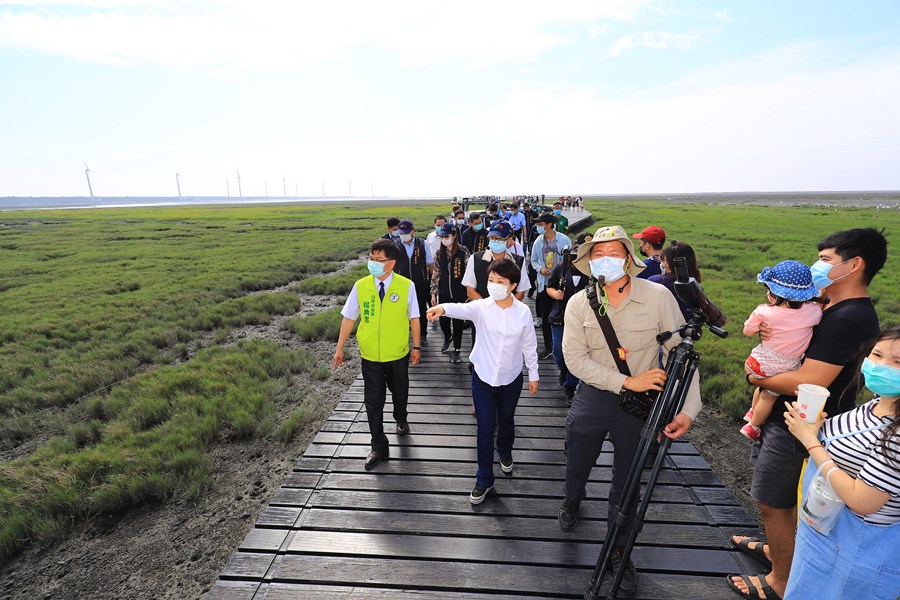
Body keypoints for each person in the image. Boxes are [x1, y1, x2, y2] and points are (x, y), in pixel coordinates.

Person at [729, 227, 886, 600]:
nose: (818, 266)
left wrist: (755, 375)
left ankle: (781, 580)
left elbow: (808, 379)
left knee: (774, 500)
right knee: (775, 497)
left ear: (855, 264)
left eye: (826, 259)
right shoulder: (826, 305)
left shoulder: (848, 318)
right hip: (785, 418)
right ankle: (778, 551)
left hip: (800, 425)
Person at [559, 225, 702, 593]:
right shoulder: (578, 302)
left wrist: (687, 409)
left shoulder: (657, 296)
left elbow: (681, 356)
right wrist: (625, 381)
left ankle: (619, 548)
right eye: (597, 253)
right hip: (594, 395)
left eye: (613, 252)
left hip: (639, 404)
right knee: (577, 458)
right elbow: (573, 359)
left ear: (628, 256)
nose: (605, 259)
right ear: (589, 261)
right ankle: (572, 498)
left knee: (629, 477)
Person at [771, 326, 900, 600]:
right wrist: (818, 427)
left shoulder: (896, 435)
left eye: (898, 362)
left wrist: (811, 441)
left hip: (855, 552)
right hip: (824, 534)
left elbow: (862, 500)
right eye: (877, 354)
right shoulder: (880, 403)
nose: (881, 366)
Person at [426, 258, 539, 504]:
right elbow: (460, 308)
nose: (494, 285)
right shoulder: (481, 307)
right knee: (485, 428)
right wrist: (441, 308)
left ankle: (506, 451)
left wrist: (534, 373)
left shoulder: (523, 312)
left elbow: (529, 344)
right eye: (490, 280)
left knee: (506, 422)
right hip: (483, 378)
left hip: (511, 379)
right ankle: (484, 479)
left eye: (500, 282)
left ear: (513, 285)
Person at [333, 239, 421, 469]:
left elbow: (414, 318)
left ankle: (401, 417)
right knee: (373, 402)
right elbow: (349, 317)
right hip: (370, 355)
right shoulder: (361, 286)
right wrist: (339, 347)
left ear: (391, 263)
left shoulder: (405, 286)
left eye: (379, 260)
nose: (373, 263)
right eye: (371, 259)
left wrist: (417, 346)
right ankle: (378, 445)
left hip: (397, 354)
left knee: (399, 393)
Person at [740, 261, 823, 442]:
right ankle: (754, 424)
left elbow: (747, 332)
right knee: (768, 397)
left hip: (758, 362)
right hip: (786, 366)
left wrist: (759, 327)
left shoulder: (763, 312)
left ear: (774, 295)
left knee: (764, 389)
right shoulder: (814, 312)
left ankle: (753, 420)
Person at [545, 232, 592, 404]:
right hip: (560, 316)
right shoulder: (561, 268)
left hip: (583, 320)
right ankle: (563, 369)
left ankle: (570, 386)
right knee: (558, 352)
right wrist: (555, 294)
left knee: (576, 353)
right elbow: (549, 287)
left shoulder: (593, 271)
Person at [530, 213, 572, 361]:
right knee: (547, 316)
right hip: (544, 284)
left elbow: (570, 261)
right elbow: (533, 261)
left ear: (549, 224)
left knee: (565, 315)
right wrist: (540, 269)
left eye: (540, 224)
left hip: (561, 285)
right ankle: (548, 347)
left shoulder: (564, 240)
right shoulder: (538, 242)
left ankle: (565, 346)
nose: (538, 226)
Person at [430, 223, 470, 364]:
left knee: (458, 322)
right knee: (444, 321)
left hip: (460, 294)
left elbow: (470, 274)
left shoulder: (463, 252)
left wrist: (469, 293)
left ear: (454, 236)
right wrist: (434, 293)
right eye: (442, 236)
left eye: (447, 236)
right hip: (444, 293)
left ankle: (457, 350)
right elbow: (436, 274)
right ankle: (448, 337)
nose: (444, 239)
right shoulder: (439, 253)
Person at [393, 219, 434, 347]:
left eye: (406, 232)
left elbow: (430, 263)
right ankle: (406, 333)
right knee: (403, 310)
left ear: (412, 231)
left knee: (421, 309)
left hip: (420, 283)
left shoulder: (422, 243)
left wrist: (432, 281)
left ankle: (422, 334)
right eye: (401, 233)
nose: (403, 235)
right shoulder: (395, 245)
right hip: (401, 284)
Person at [647, 240, 701, 322]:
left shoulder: (656, 281)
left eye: (663, 260)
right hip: (689, 331)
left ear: (667, 262)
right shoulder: (695, 284)